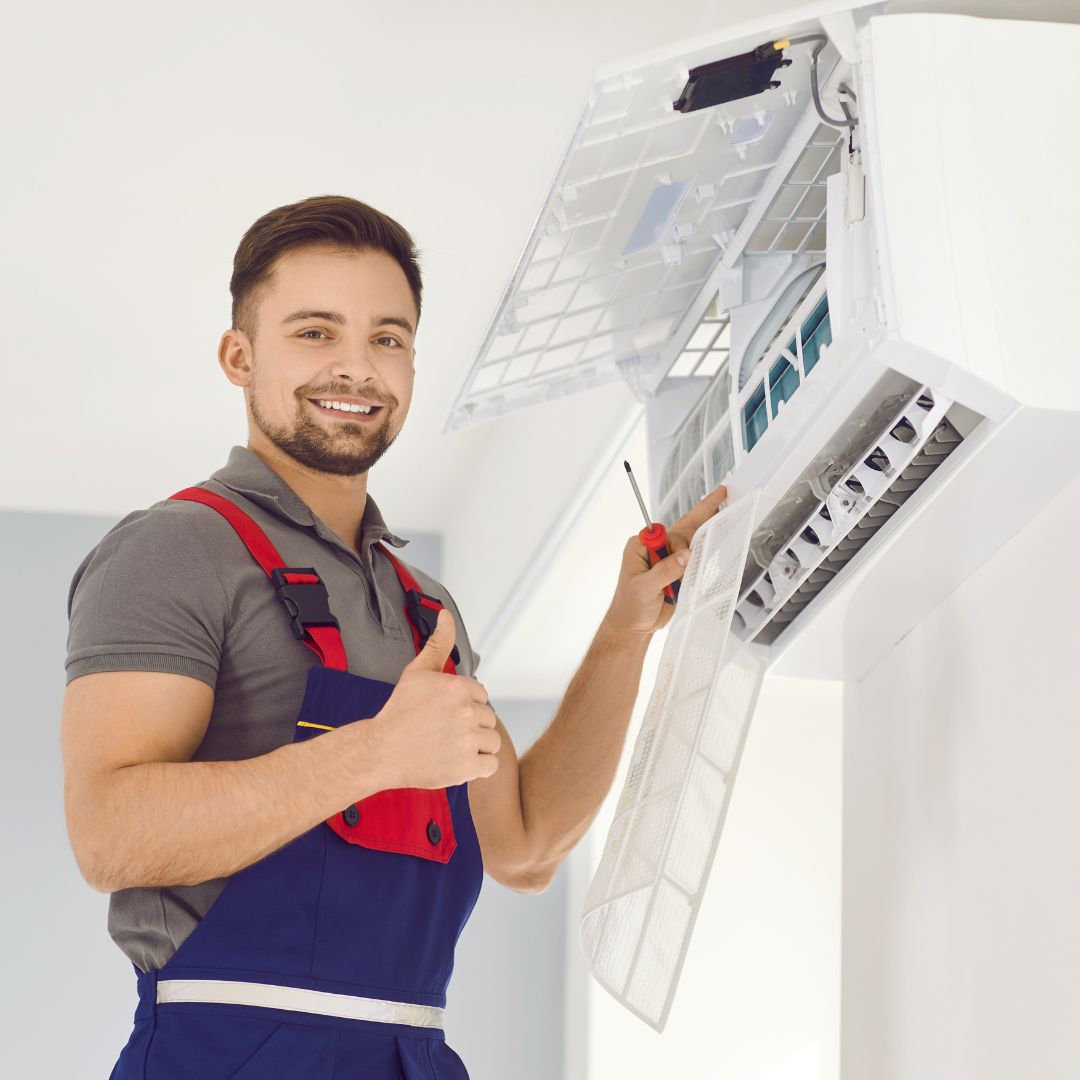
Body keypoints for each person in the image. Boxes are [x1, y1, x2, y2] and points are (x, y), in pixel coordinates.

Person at [60, 194, 726, 1078]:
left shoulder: (424, 608)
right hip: (227, 1055)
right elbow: (110, 838)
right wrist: (377, 755)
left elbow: (524, 846)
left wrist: (625, 628)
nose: (356, 366)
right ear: (238, 356)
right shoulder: (175, 550)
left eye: (388, 337)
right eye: (314, 332)